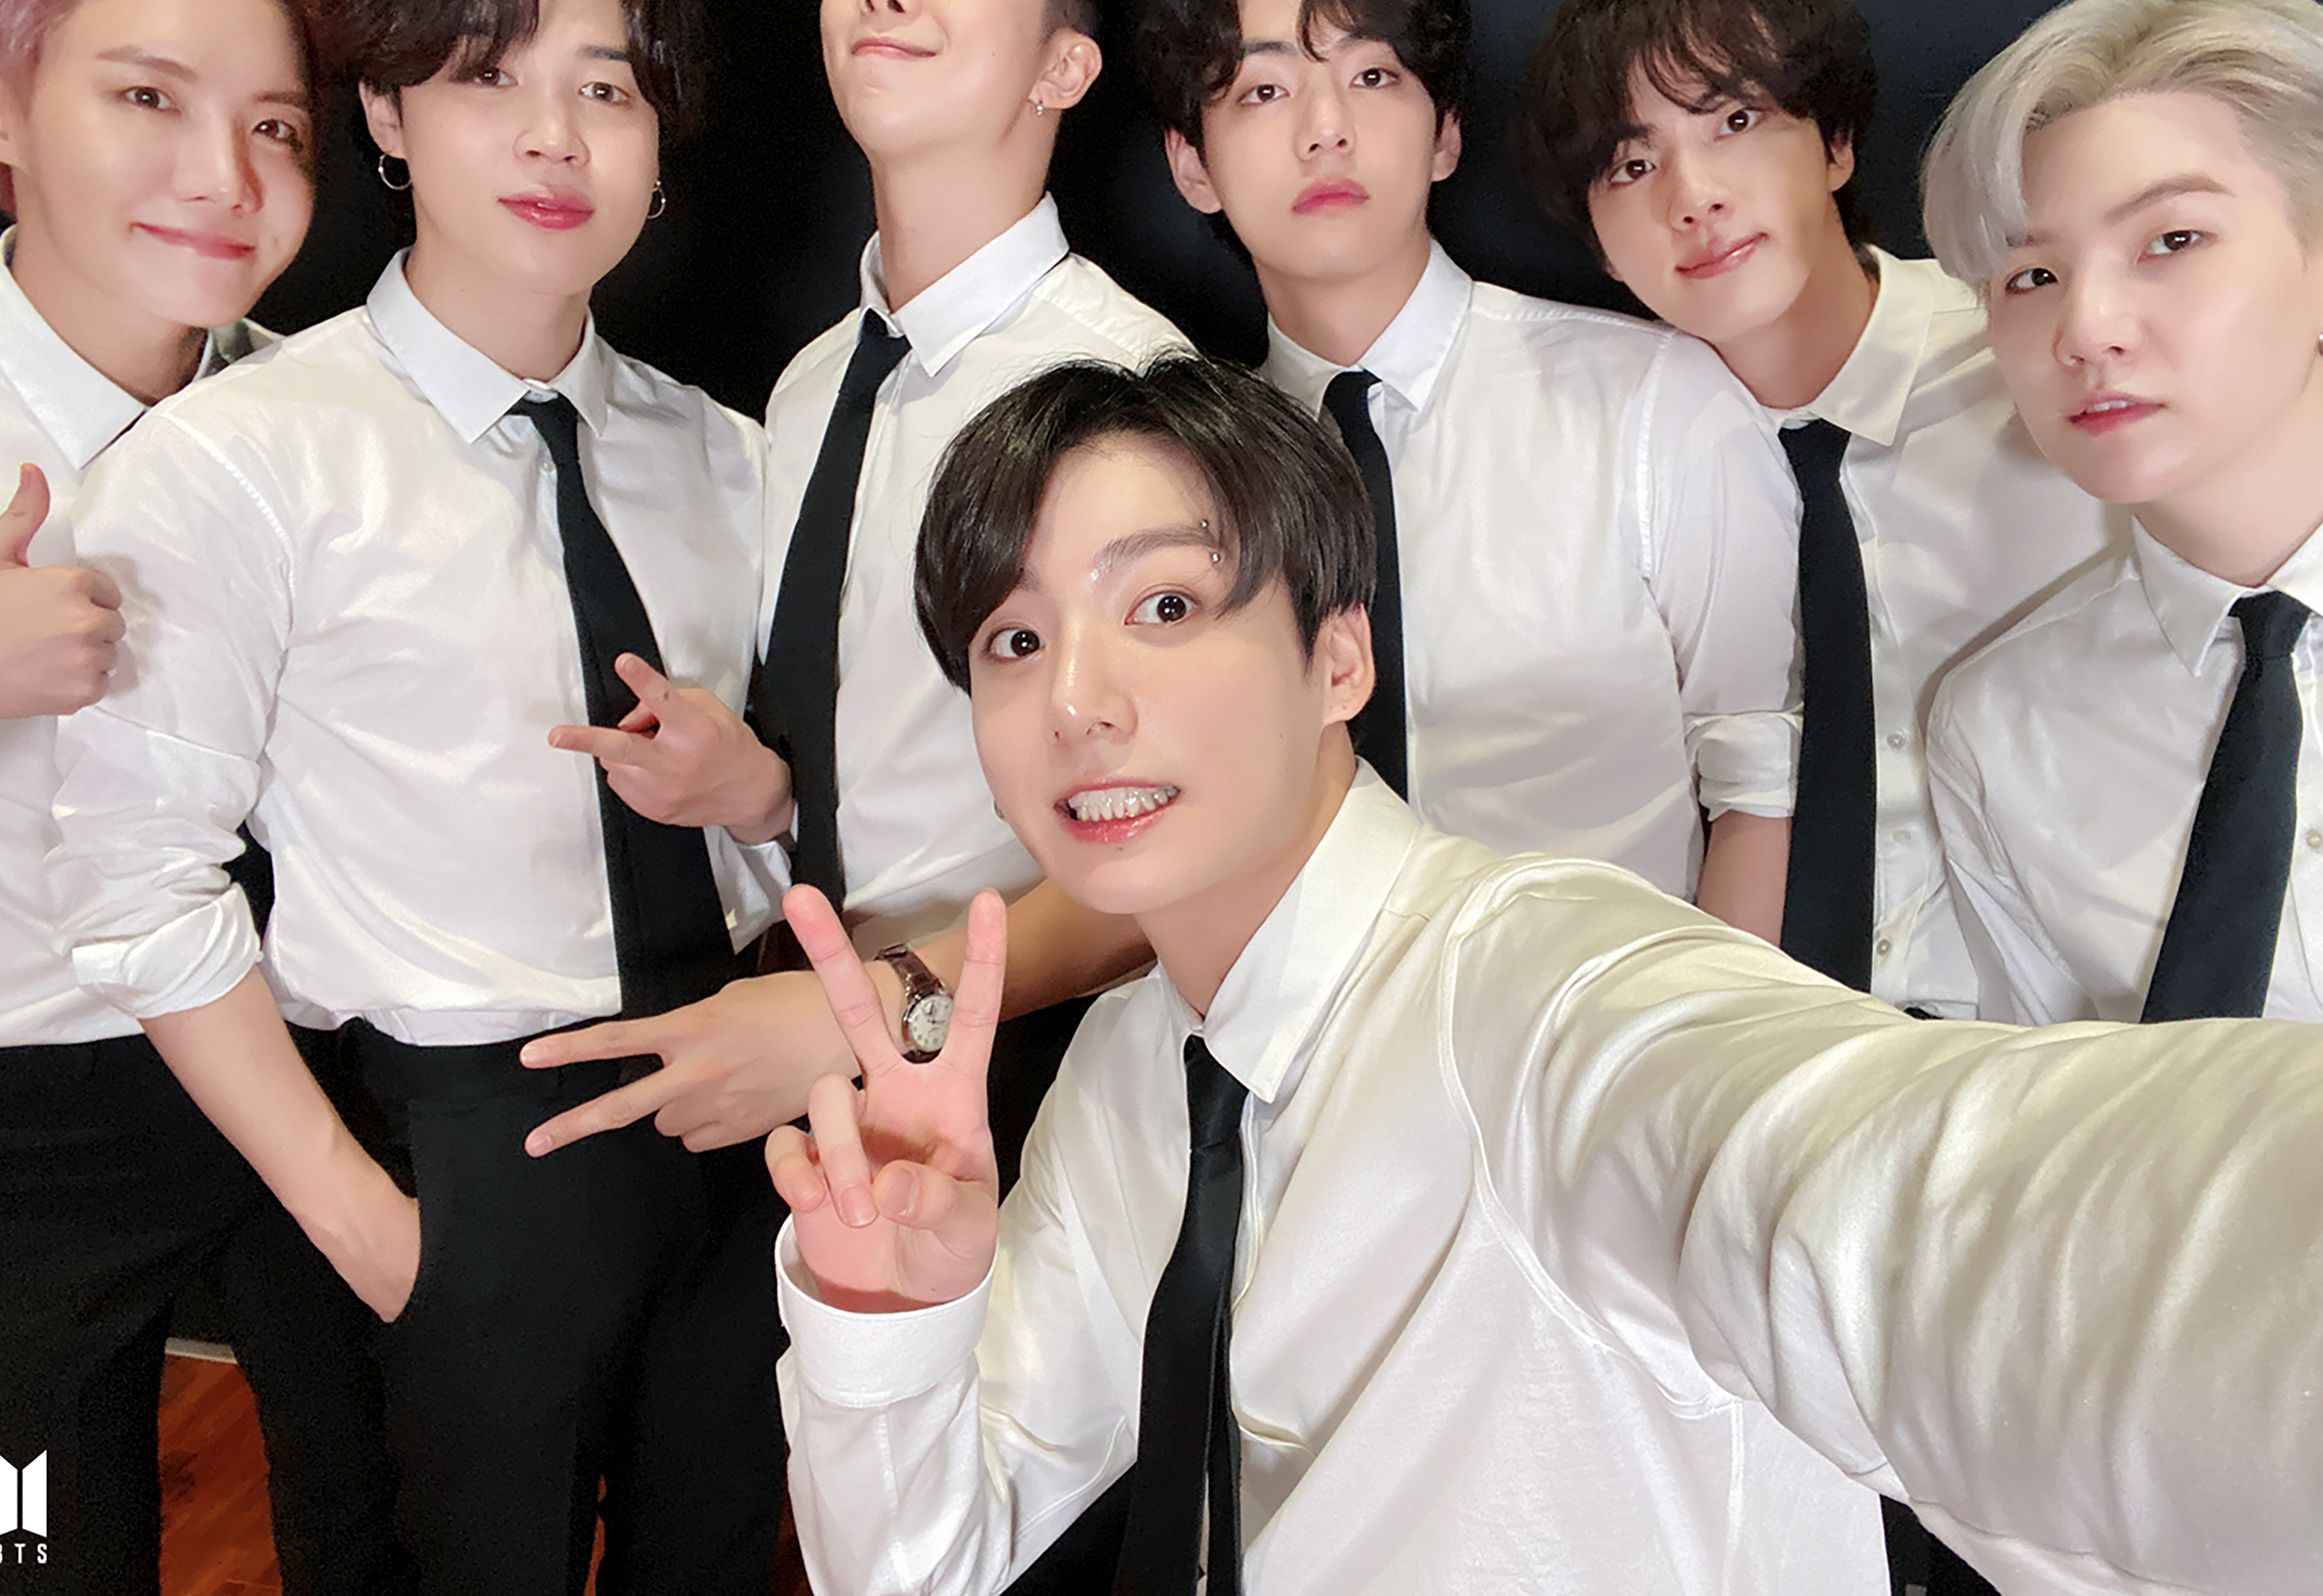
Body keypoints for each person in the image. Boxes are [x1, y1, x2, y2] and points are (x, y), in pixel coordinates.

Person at [772, 351, 2323, 1596]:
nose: (1076, 701)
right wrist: (883, 1313)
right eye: (1013, 641)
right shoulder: (1133, 1071)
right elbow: (918, 1567)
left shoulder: (1543, 989)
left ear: (1338, 659)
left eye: (1163, 606)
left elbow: (1928, 1206)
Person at [49, 0, 789, 1594]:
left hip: (737, 1103)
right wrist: (370, 1227)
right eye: (488, 77)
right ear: (384, 109)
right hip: (457, 1139)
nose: (554, 140)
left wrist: (760, 790)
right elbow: (135, 884)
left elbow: (818, 812)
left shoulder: (730, 456)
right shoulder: (240, 460)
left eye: (605, 89)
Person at [518, 0, 1182, 1179]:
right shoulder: (819, 382)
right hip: (801, 1038)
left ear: (1064, 65)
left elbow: (1189, 842)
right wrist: (760, 793)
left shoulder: (1129, 393)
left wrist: (868, 1011)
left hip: (1043, 1058)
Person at [0, 0, 405, 1596]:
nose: (225, 176)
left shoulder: (333, 417)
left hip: (314, 1067)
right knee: (30, 1544)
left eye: (275, 127)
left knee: (386, 1526)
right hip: (19, 1125)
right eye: (148, 99)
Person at [1133, 0, 1797, 930]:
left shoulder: (1650, 400)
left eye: (1372, 76)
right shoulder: (1181, 480)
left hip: (1605, 1012)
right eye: (1263, 91)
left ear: (1445, 134)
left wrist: (1714, 1030)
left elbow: (1761, 776)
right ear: (1191, 167)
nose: (1324, 129)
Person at [1517, 0, 2123, 1012]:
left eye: (1736, 121)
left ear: (1836, 144)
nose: (1692, 195)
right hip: (1777, 1029)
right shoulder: (1614, 455)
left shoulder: (2038, 365)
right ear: (1599, 242)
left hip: (2077, 1032)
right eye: (1633, 164)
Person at [1921, 0, 2323, 1029]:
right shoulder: (2004, 727)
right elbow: (2067, 1102)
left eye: (2173, 240)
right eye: (2032, 276)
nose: (2087, 328)